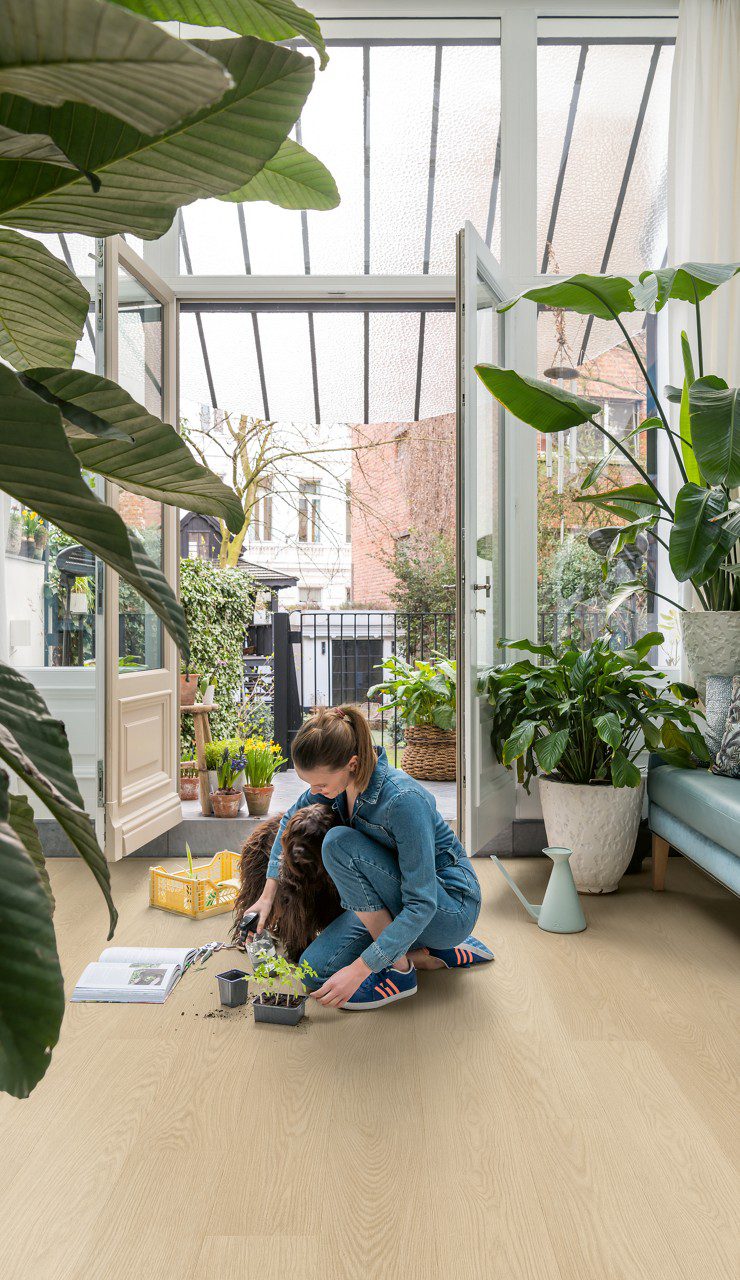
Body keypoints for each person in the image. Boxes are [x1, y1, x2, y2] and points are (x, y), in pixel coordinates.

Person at [242, 705, 493, 1011]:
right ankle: (430, 953)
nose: (314, 792)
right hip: (390, 900)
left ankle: (402, 971)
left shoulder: (402, 801)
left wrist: (361, 969)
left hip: (447, 907)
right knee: (315, 971)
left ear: (352, 763)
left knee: (337, 842)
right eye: (310, 785)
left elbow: (422, 903)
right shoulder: (336, 785)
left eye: (320, 784)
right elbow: (288, 821)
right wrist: (268, 896)